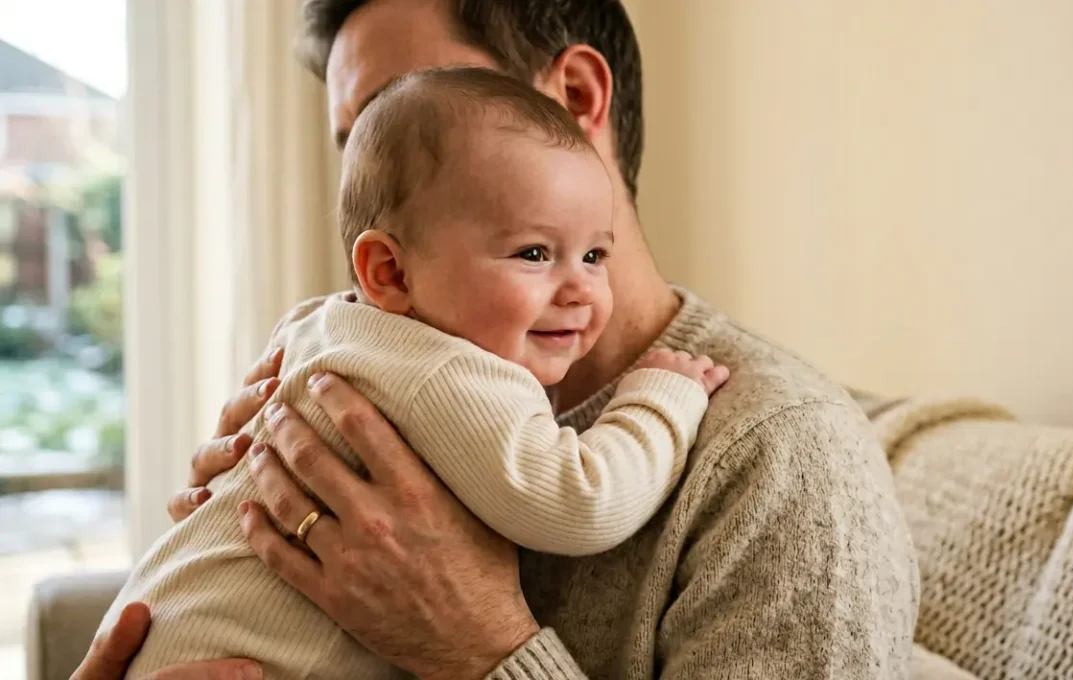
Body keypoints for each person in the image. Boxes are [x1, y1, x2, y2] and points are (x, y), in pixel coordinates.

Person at [82, 0, 919, 678]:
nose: (375, 170)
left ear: (577, 100)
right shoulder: (356, 372)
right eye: (358, 141)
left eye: (406, 103)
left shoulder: (781, 460)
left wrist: (484, 652)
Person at [96, 67, 729, 680]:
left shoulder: (320, 323)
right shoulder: (457, 373)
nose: (581, 289)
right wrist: (660, 398)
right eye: (534, 253)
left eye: (594, 254)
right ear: (390, 273)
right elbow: (581, 499)